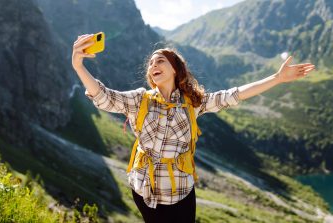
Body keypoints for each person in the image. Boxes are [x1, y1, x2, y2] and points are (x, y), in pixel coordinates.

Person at [72, 34, 315, 223]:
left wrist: (277, 78)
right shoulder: (139, 100)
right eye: (151, 64)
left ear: (175, 69)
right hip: (147, 192)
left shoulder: (193, 103)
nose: (153, 65)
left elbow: (233, 95)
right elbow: (104, 97)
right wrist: (79, 66)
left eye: (160, 61)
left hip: (182, 191)